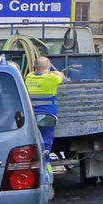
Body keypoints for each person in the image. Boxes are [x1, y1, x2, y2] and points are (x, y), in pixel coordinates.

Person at [23, 57, 65, 196]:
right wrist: (54, 72)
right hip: (47, 119)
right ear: (48, 68)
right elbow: (61, 77)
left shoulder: (28, 77)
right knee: (45, 151)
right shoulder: (52, 78)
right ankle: (48, 184)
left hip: (30, 120)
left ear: (34, 68)